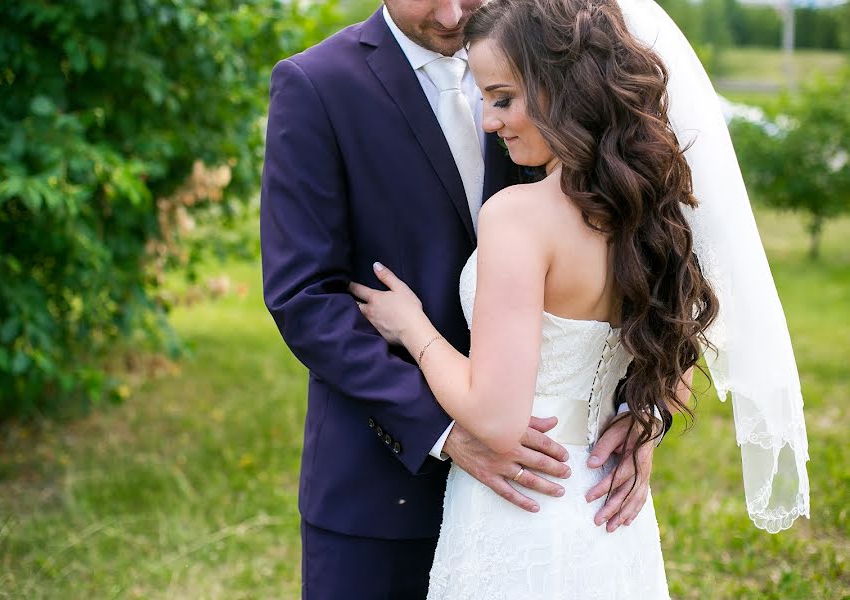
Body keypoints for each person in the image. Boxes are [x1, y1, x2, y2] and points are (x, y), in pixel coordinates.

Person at [350, 0, 810, 597]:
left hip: (520, 513)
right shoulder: (652, 213)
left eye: (503, 98)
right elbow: (674, 359)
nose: (491, 121)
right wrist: (644, 421)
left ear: (561, 88)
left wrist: (413, 327)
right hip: (610, 511)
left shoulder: (518, 217)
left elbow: (494, 417)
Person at [259, 0, 658, 596]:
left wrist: (639, 413)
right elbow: (304, 296)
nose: (453, 13)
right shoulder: (317, 86)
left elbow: (642, 249)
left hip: (553, 496)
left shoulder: (552, 58)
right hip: (380, 489)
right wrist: (447, 429)